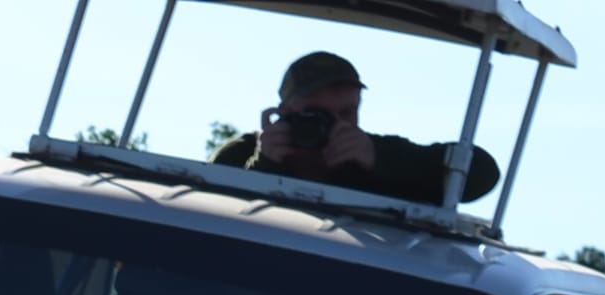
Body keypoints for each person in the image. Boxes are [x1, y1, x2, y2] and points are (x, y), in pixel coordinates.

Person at [212, 51, 499, 207]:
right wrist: (265, 166)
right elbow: (209, 211)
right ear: (284, 111)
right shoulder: (246, 153)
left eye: (347, 114)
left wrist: (379, 160)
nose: (335, 126)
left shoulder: (375, 155)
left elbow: (482, 174)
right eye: (317, 115)